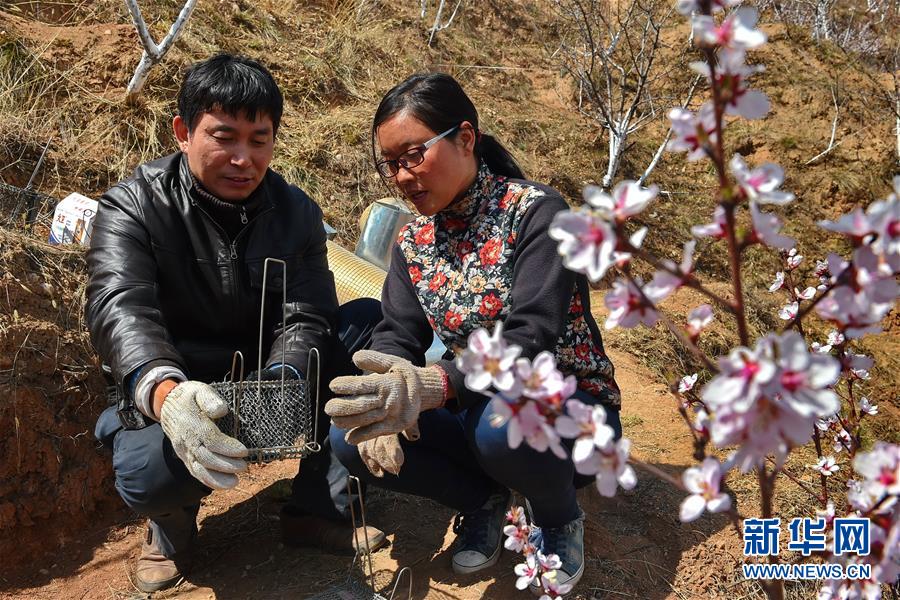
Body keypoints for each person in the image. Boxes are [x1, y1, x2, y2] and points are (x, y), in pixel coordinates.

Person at [86, 53, 386, 594]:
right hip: (185, 377)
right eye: (224, 137)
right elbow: (121, 305)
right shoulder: (133, 207)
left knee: (365, 326)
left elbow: (307, 312)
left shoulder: (296, 212)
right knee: (146, 474)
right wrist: (166, 393)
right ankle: (172, 527)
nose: (243, 159)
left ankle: (316, 508)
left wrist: (283, 382)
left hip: (268, 369)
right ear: (183, 131)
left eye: (259, 140)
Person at [325, 72, 622, 594]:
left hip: (565, 412)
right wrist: (390, 386)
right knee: (352, 434)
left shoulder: (537, 213)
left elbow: (533, 333)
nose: (401, 176)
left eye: (413, 155)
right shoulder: (414, 241)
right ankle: (480, 500)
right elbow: (397, 331)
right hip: (474, 408)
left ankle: (557, 516)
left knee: (499, 423)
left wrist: (436, 385)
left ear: (465, 137)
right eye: (391, 163)